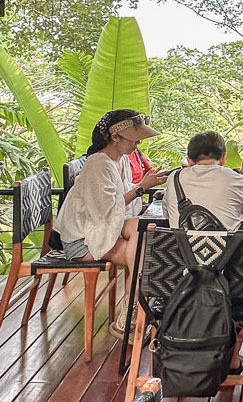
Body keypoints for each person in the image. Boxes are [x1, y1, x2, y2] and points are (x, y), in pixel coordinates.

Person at [54, 109, 168, 338]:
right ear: (115, 137)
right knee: (144, 251)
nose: (137, 144)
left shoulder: (120, 160)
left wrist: (141, 190)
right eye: (133, 139)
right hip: (81, 241)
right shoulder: (98, 164)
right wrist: (141, 188)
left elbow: (117, 207)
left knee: (141, 233)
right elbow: (105, 209)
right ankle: (132, 312)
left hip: (98, 229)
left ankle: (130, 313)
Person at [163, 131, 243, 230]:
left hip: (181, 254)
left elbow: (167, 214)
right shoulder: (235, 179)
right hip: (228, 254)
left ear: (189, 160)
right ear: (223, 158)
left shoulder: (174, 178)